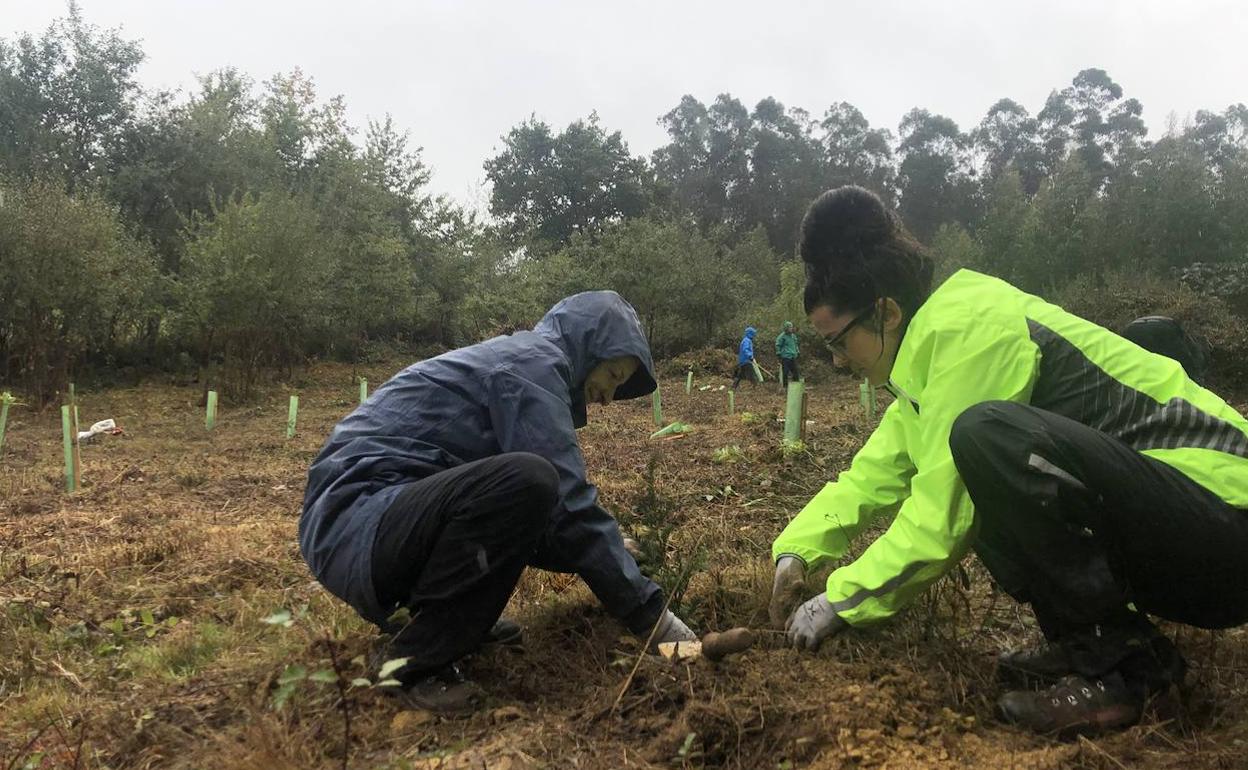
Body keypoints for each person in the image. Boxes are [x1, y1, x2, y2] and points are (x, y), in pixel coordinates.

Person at [767, 186, 1248, 737]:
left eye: (839, 341)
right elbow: (868, 477)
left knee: (984, 442)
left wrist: (842, 599)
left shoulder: (971, 330)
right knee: (981, 463)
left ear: (887, 312)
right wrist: (795, 553)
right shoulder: (925, 373)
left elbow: (939, 518)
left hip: (1226, 523)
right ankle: (1096, 644)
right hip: (1184, 529)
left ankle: (1121, 670)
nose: (834, 359)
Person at [300, 291, 697, 713]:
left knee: (527, 490)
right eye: (614, 375)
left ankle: (448, 624)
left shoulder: (526, 361)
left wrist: (616, 553)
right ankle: (413, 663)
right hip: (358, 520)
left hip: (365, 525)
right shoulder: (532, 364)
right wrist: (652, 615)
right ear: (590, 348)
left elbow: (523, 519)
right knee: (532, 479)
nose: (609, 398)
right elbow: (563, 500)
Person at [775, 321, 801, 389]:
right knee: (785, 373)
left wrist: (797, 351)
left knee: (796, 372)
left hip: (793, 356)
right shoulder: (782, 337)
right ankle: (785, 387)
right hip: (785, 357)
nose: (791, 329)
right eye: (789, 327)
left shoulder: (793, 336)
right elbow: (778, 345)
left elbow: (795, 344)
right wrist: (778, 353)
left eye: (791, 327)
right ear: (786, 328)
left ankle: (796, 386)